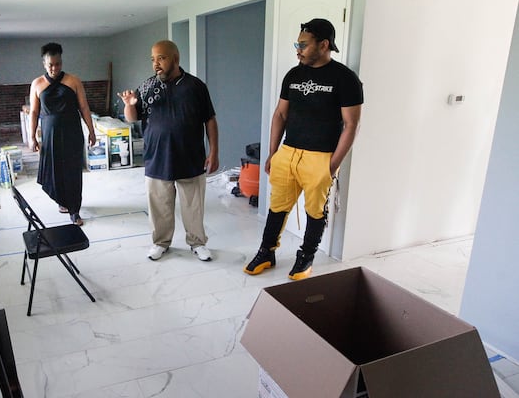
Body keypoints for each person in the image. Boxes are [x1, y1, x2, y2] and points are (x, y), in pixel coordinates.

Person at [244, 18, 363, 280]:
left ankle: (305, 257)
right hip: (288, 153)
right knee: (277, 205)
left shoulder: (345, 78)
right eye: (297, 43)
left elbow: (351, 125)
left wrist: (332, 165)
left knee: (315, 211)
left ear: (324, 44)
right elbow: (279, 115)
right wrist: (273, 153)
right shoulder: (294, 74)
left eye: (303, 44)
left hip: (320, 157)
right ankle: (267, 251)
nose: (298, 49)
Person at [117, 40, 219, 262]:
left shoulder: (195, 86)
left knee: (193, 206)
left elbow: (209, 120)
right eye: (153, 59)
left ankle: (197, 243)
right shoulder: (146, 87)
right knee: (159, 205)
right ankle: (160, 242)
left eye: (161, 58)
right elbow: (132, 118)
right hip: (157, 157)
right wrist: (129, 104)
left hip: (190, 157)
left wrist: (214, 152)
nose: (156, 64)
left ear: (175, 58)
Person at [29, 42, 96, 226]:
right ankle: (62, 201)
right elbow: (34, 113)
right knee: (54, 171)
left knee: (72, 172)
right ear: (44, 63)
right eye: (50, 64)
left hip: (72, 133)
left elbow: (84, 107)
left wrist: (91, 131)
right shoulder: (37, 84)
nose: (54, 68)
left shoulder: (73, 81)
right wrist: (32, 136)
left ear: (61, 62)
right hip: (50, 136)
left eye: (58, 63)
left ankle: (74, 210)